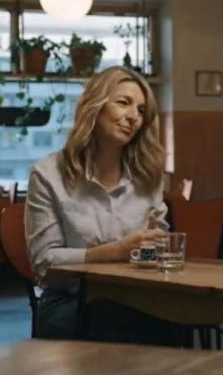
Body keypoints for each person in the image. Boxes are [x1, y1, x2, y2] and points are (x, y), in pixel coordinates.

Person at [25, 67, 185, 345]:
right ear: (95, 106)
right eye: (123, 103)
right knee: (117, 321)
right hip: (69, 300)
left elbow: (154, 256)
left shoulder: (148, 177)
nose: (134, 116)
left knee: (174, 319)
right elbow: (44, 263)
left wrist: (143, 255)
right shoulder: (48, 174)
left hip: (136, 296)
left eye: (141, 110)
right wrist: (116, 251)